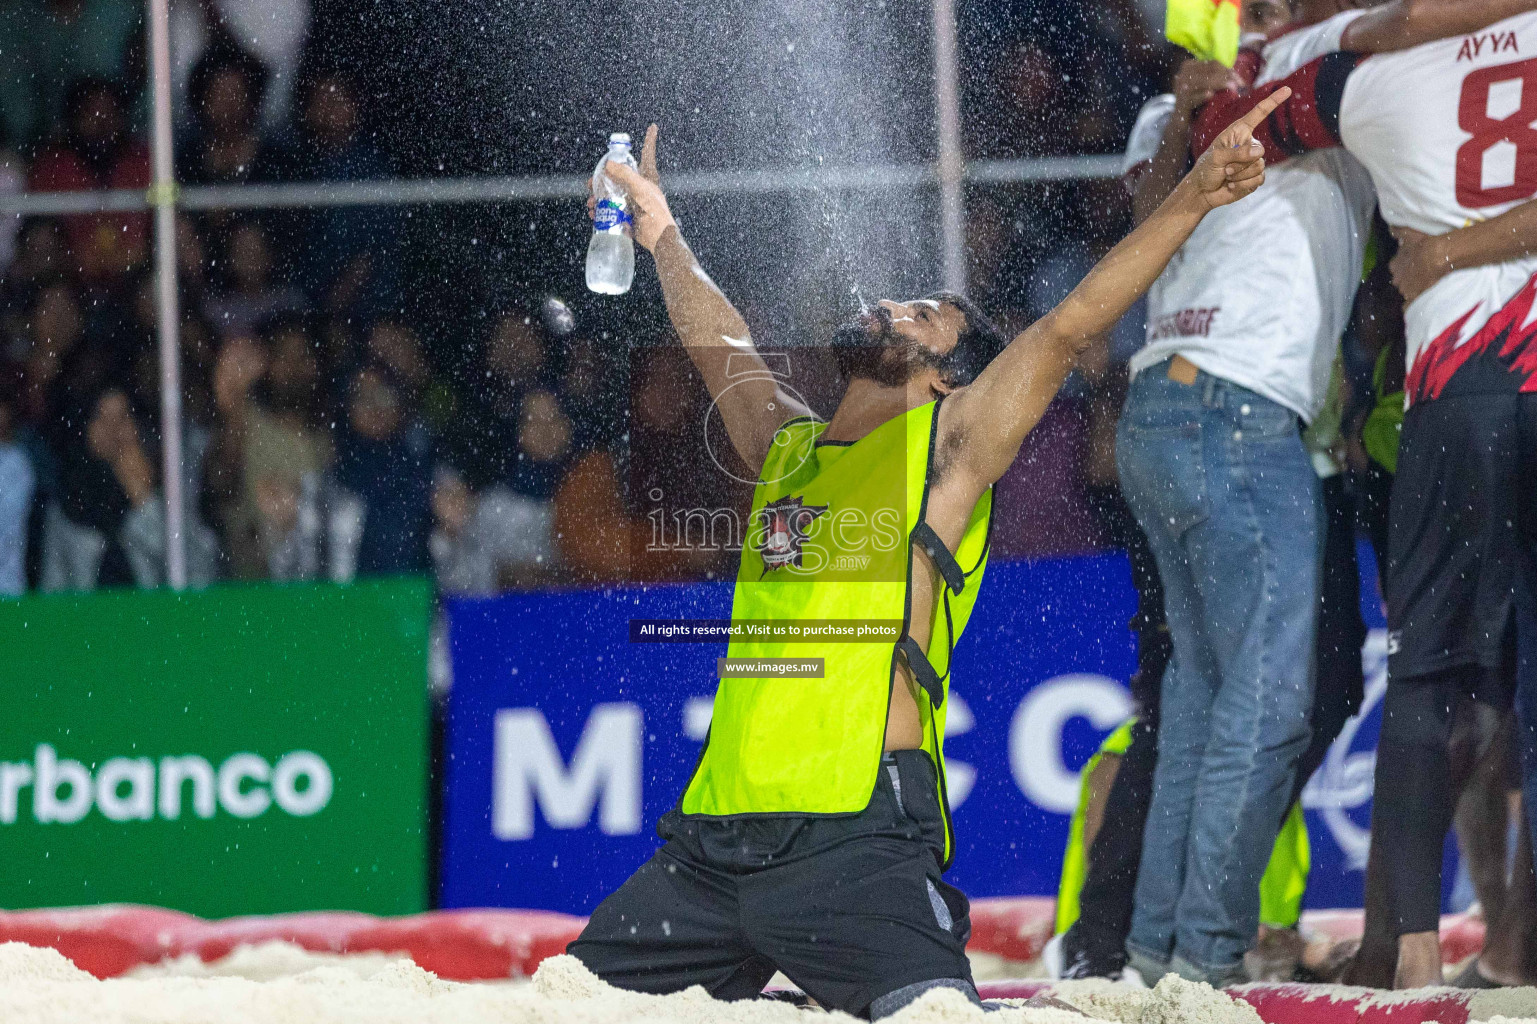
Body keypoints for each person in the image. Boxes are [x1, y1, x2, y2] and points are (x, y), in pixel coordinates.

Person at [565, 99, 1284, 1018]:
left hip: (854, 848)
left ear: (949, 375)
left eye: (922, 315)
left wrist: (1188, 198)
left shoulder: (951, 452)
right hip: (706, 849)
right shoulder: (788, 449)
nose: (891, 306)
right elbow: (722, 344)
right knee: (561, 1003)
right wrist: (660, 225)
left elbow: (1066, 328)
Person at [1101, 0, 1521, 988]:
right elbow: (1413, 25)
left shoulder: (1239, 95)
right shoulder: (1304, 68)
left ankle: (1152, 955)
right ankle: (1201, 960)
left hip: (1164, 408)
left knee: (1201, 703)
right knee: (1266, 709)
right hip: (1238, 418)